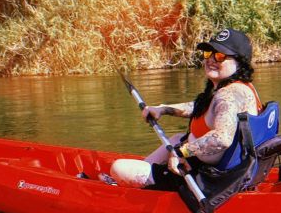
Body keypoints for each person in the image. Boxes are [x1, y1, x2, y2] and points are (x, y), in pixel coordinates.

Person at [110, 28, 266, 189]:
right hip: (224, 167)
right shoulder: (239, 87)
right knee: (176, 139)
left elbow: (222, 138)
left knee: (118, 167)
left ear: (240, 63)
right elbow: (205, 109)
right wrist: (164, 109)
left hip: (209, 180)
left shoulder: (228, 95)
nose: (211, 60)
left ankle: (134, 182)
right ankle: (141, 178)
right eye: (208, 53)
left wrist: (181, 152)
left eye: (220, 56)